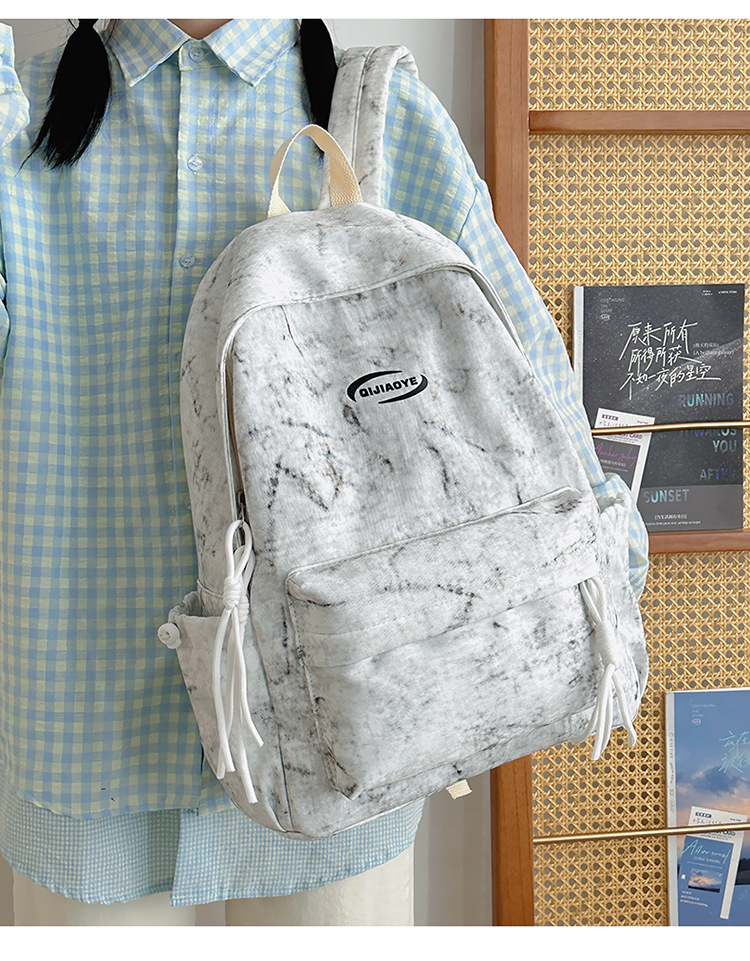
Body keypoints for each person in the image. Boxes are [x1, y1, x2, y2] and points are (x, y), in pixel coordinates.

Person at [0, 18, 650, 926]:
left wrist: (601, 570)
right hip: (86, 721)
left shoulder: (377, 109)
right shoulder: (18, 114)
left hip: (351, 707)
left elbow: (517, 374)